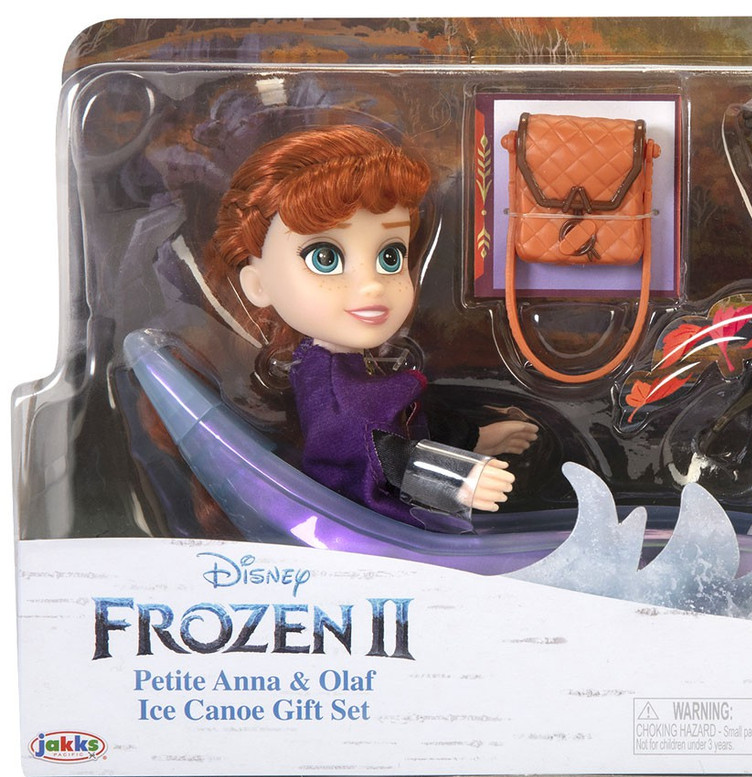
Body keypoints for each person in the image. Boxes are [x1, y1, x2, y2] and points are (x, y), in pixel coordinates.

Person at [205, 125, 536, 529]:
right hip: (370, 529)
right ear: (258, 285)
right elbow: (370, 448)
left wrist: (474, 439)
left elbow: (401, 423)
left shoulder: (350, 370)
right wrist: (457, 480)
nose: (372, 284)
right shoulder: (333, 390)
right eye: (325, 257)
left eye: (390, 257)